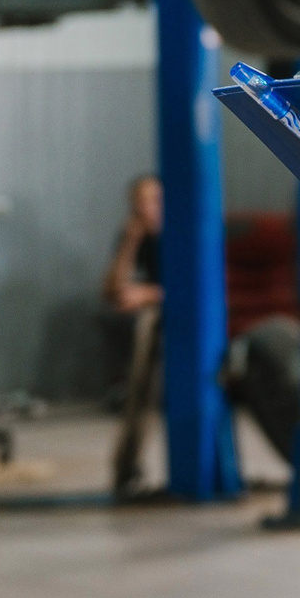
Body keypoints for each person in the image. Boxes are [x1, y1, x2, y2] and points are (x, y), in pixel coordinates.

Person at [103, 174, 162, 498]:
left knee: (146, 324)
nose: (144, 209)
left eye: (152, 201)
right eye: (138, 203)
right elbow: (111, 290)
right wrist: (129, 241)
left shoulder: (184, 229)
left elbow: (199, 288)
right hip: (154, 319)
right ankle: (126, 469)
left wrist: (147, 295)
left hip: (192, 321)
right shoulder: (140, 237)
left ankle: (126, 465)